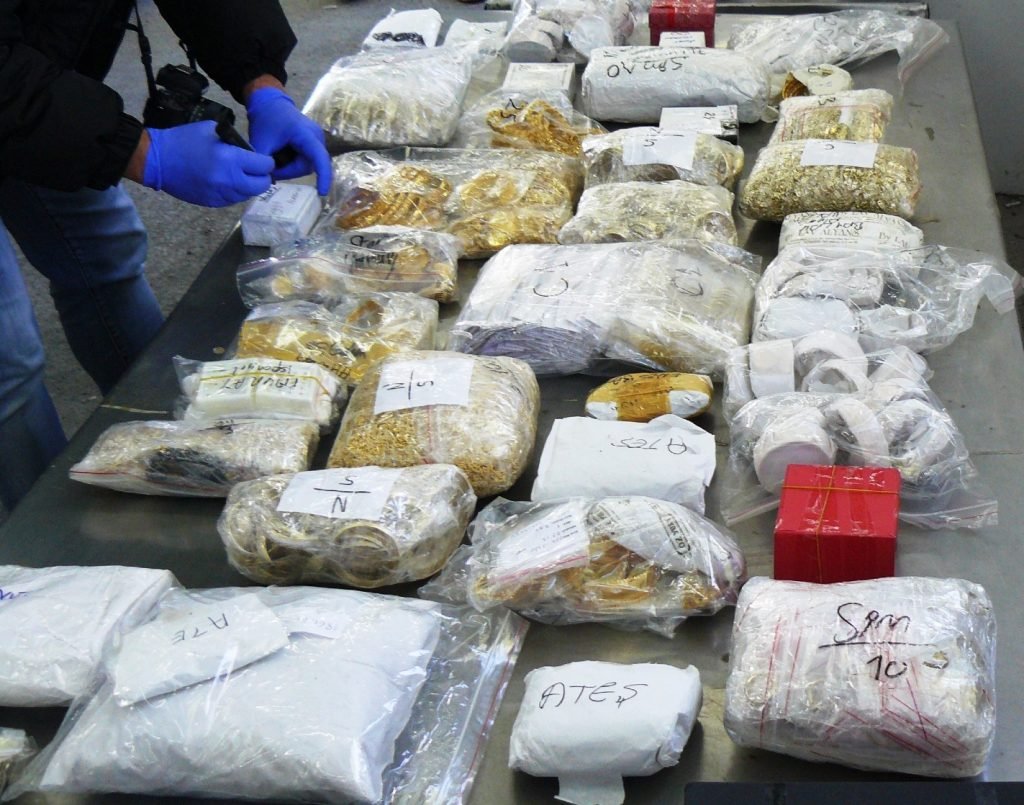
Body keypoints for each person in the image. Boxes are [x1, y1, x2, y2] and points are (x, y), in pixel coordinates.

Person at [0, 0, 332, 511]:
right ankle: (37, 533)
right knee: (10, 360)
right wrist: (137, 151)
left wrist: (261, 82)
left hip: (36, 81)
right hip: (14, 86)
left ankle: (167, 439)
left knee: (104, 255)